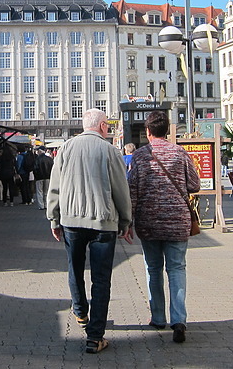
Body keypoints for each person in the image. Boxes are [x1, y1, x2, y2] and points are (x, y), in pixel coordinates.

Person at [46, 108, 133, 355]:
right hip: (103, 222)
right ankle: (95, 337)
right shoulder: (110, 151)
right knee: (101, 279)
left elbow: (55, 187)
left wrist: (54, 218)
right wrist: (126, 221)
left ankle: (81, 311)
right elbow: (120, 189)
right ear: (103, 126)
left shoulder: (65, 149)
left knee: (74, 269)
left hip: (71, 221)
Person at [128, 111, 199, 344]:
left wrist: (128, 221)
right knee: (177, 268)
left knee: (153, 268)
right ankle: (178, 320)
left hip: (148, 222)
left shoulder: (139, 156)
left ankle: (158, 317)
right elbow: (194, 184)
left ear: (147, 131)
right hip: (177, 221)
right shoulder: (180, 152)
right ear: (168, 131)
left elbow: (133, 191)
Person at [0, 143, 18, 207]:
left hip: (3, 174)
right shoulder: (12, 158)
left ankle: (5, 201)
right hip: (11, 174)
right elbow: (15, 166)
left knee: (4, 188)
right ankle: (11, 201)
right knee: (11, 188)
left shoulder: (1, 158)